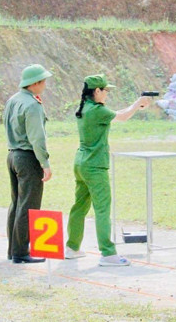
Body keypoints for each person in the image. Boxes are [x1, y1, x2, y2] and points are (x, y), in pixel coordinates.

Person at [65, 75, 152, 267]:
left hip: (81, 163)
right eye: (105, 90)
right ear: (97, 91)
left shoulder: (87, 108)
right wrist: (138, 103)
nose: (107, 94)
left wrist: (135, 106)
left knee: (79, 206)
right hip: (95, 166)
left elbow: (115, 113)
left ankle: (72, 247)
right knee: (102, 209)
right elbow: (122, 117)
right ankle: (108, 253)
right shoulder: (97, 110)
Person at [4, 64, 53, 264]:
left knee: (17, 204)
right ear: (35, 83)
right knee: (29, 206)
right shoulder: (32, 105)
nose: (45, 85)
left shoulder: (13, 100)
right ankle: (22, 252)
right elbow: (37, 138)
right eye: (43, 81)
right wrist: (45, 163)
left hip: (13, 155)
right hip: (27, 157)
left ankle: (14, 249)